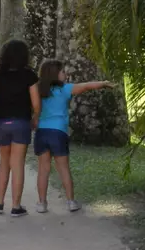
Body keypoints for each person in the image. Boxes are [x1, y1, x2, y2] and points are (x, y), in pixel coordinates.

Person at [34, 60, 115, 213]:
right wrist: (103, 83)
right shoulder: (65, 89)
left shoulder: (39, 90)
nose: (65, 74)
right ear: (54, 74)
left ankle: (42, 203)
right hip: (58, 133)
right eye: (62, 71)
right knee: (63, 168)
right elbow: (86, 86)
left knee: (43, 169)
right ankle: (71, 202)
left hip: (42, 132)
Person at [0, 40, 40, 218]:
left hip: (2, 121)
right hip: (21, 122)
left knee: (4, 162)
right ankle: (16, 206)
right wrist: (35, 118)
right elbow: (36, 103)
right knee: (17, 164)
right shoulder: (29, 76)